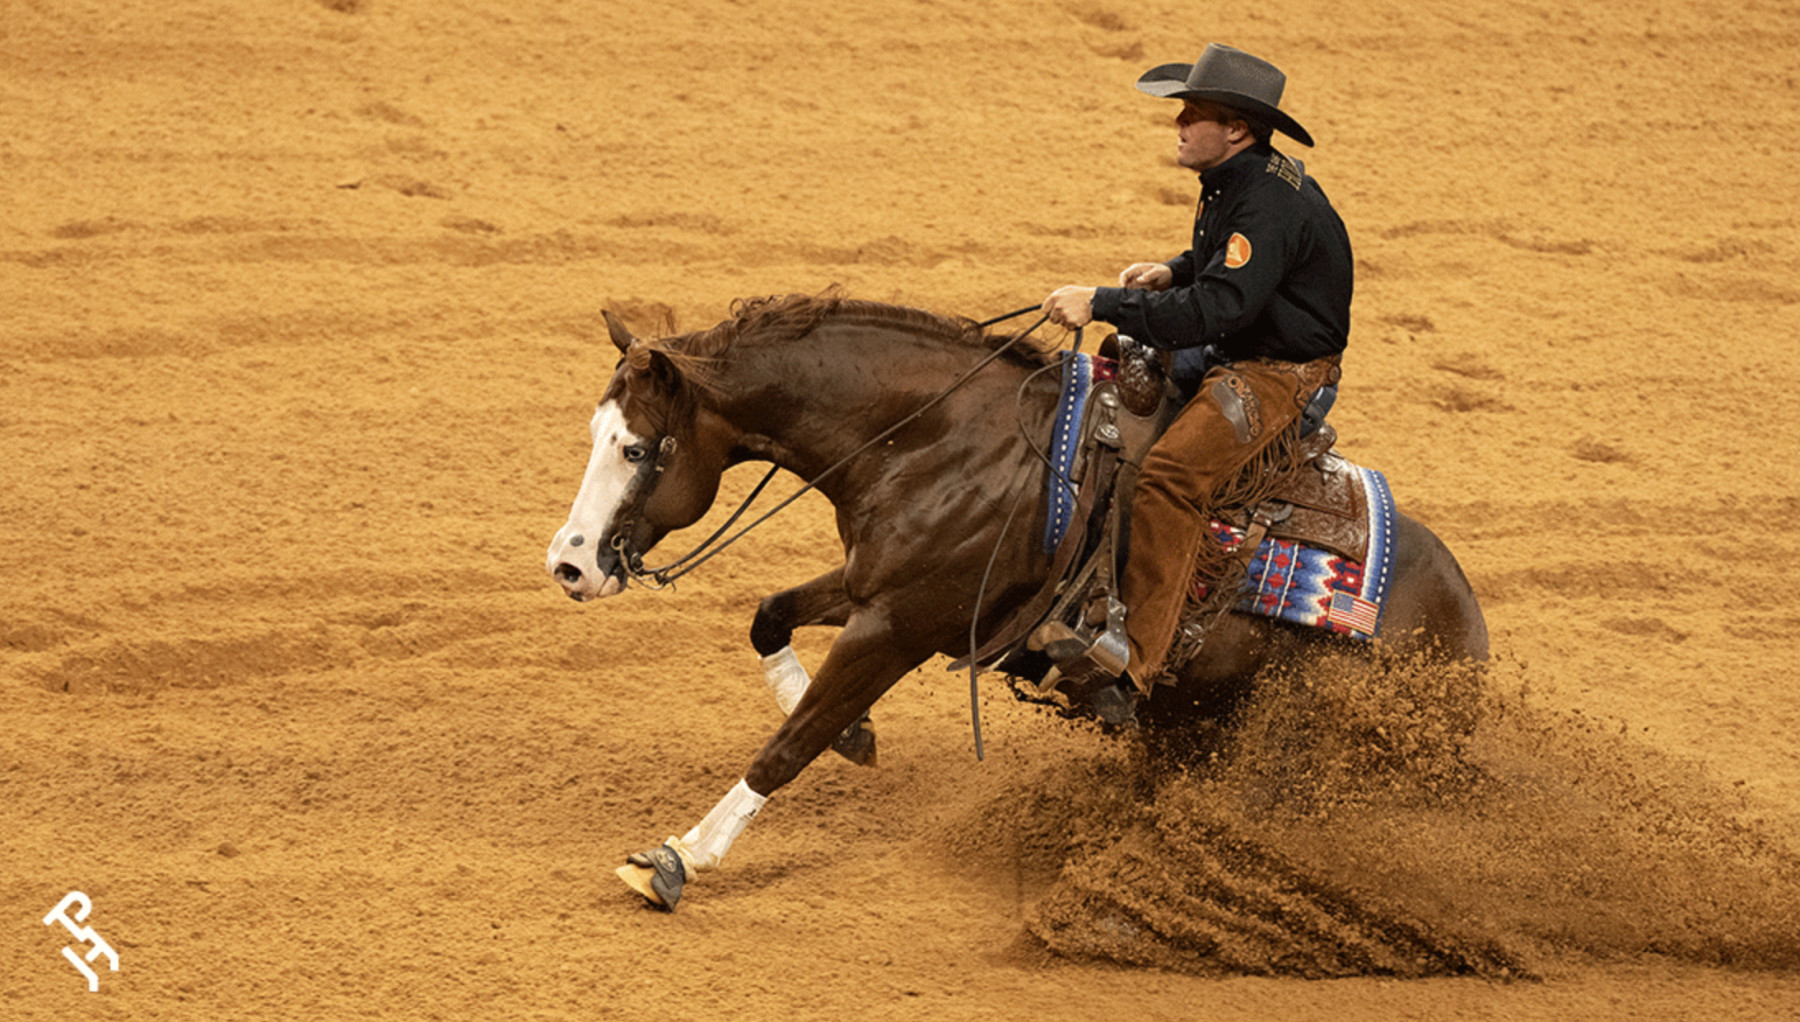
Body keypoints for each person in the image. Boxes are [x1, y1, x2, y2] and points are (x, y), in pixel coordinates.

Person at [1040, 43, 1353, 713]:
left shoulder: (1267, 201)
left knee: (1171, 477)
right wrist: (1177, 268)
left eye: (1193, 114)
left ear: (1236, 129)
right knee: (1116, 403)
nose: (1178, 125)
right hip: (1244, 344)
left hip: (1281, 374)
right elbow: (1229, 266)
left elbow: (1218, 309)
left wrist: (1102, 301)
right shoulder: (1246, 179)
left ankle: (1134, 667)